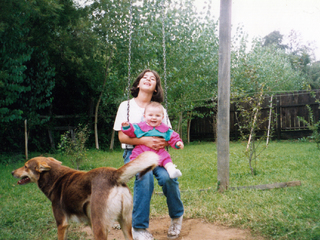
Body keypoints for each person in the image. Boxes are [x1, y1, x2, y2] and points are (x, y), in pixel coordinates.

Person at [113, 69, 184, 240]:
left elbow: (169, 134)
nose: (148, 79)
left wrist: (166, 143)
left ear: (155, 88)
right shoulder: (126, 106)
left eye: (152, 79)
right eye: (144, 77)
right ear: (138, 84)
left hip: (159, 155)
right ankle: (139, 228)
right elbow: (122, 136)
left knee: (168, 178)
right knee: (145, 178)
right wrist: (145, 141)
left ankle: (176, 217)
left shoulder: (160, 109)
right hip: (134, 153)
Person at [121, 101, 184, 179]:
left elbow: (173, 136)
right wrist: (127, 127)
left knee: (166, 158)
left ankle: (172, 171)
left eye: (157, 115)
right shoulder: (140, 127)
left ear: (162, 117)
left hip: (158, 151)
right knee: (136, 158)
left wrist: (178, 142)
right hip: (142, 151)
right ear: (144, 116)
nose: (154, 117)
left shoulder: (165, 128)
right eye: (150, 115)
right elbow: (131, 132)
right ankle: (133, 168)